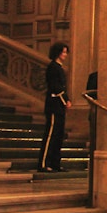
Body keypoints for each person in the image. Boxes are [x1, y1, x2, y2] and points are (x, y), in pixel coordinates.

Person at [38, 41, 71, 172]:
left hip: (59, 106)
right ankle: (44, 163)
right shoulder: (53, 67)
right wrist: (65, 100)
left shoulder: (59, 67)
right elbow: (55, 87)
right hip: (53, 105)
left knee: (59, 135)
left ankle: (55, 163)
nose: (65, 55)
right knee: (51, 134)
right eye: (63, 52)